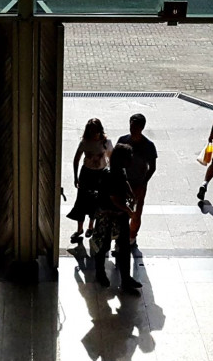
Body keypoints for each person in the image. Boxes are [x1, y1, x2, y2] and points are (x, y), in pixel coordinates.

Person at [90, 143, 143, 294]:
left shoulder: (121, 170)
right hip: (108, 215)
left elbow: (125, 182)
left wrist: (130, 192)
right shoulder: (110, 174)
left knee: (124, 248)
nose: (131, 160)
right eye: (129, 157)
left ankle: (126, 279)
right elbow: (114, 199)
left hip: (120, 215)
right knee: (103, 245)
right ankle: (100, 273)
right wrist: (129, 211)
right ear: (122, 159)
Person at [67, 118, 112, 244]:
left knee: (96, 202)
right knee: (81, 201)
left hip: (101, 174)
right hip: (86, 173)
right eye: (92, 132)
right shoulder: (85, 142)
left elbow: (111, 158)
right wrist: (75, 177)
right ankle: (79, 229)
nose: (94, 134)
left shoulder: (106, 142)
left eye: (96, 131)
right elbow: (76, 159)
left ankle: (91, 226)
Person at [116, 113, 157, 248]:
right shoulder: (123, 140)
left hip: (139, 184)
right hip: (122, 182)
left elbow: (152, 167)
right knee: (121, 211)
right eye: (131, 125)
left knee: (136, 213)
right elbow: (115, 160)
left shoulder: (149, 145)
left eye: (135, 126)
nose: (132, 129)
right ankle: (119, 237)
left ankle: (132, 237)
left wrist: (143, 184)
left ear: (142, 127)